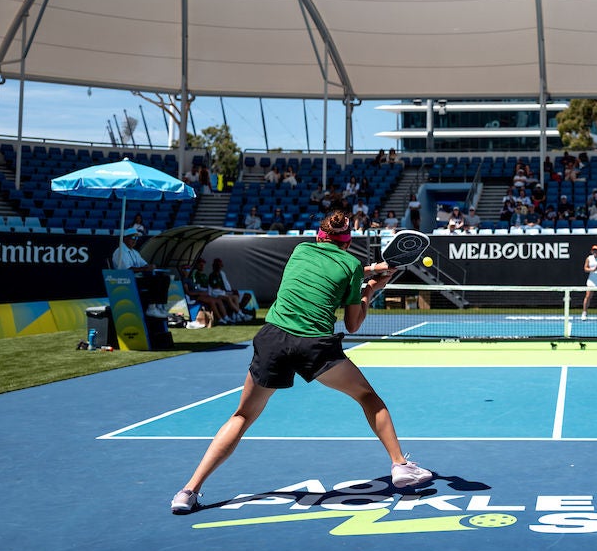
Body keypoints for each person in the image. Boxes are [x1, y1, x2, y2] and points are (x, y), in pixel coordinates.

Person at [170, 210, 432, 515]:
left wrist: (371, 271)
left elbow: (335, 267)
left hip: (273, 339)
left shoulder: (301, 249)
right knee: (368, 397)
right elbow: (353, 323)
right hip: (313, 345)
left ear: (319, 236)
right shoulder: (349, 265)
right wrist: (372, 288)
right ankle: (400, 465)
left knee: (241, 417)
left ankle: (188, 491)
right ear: (348, 243)